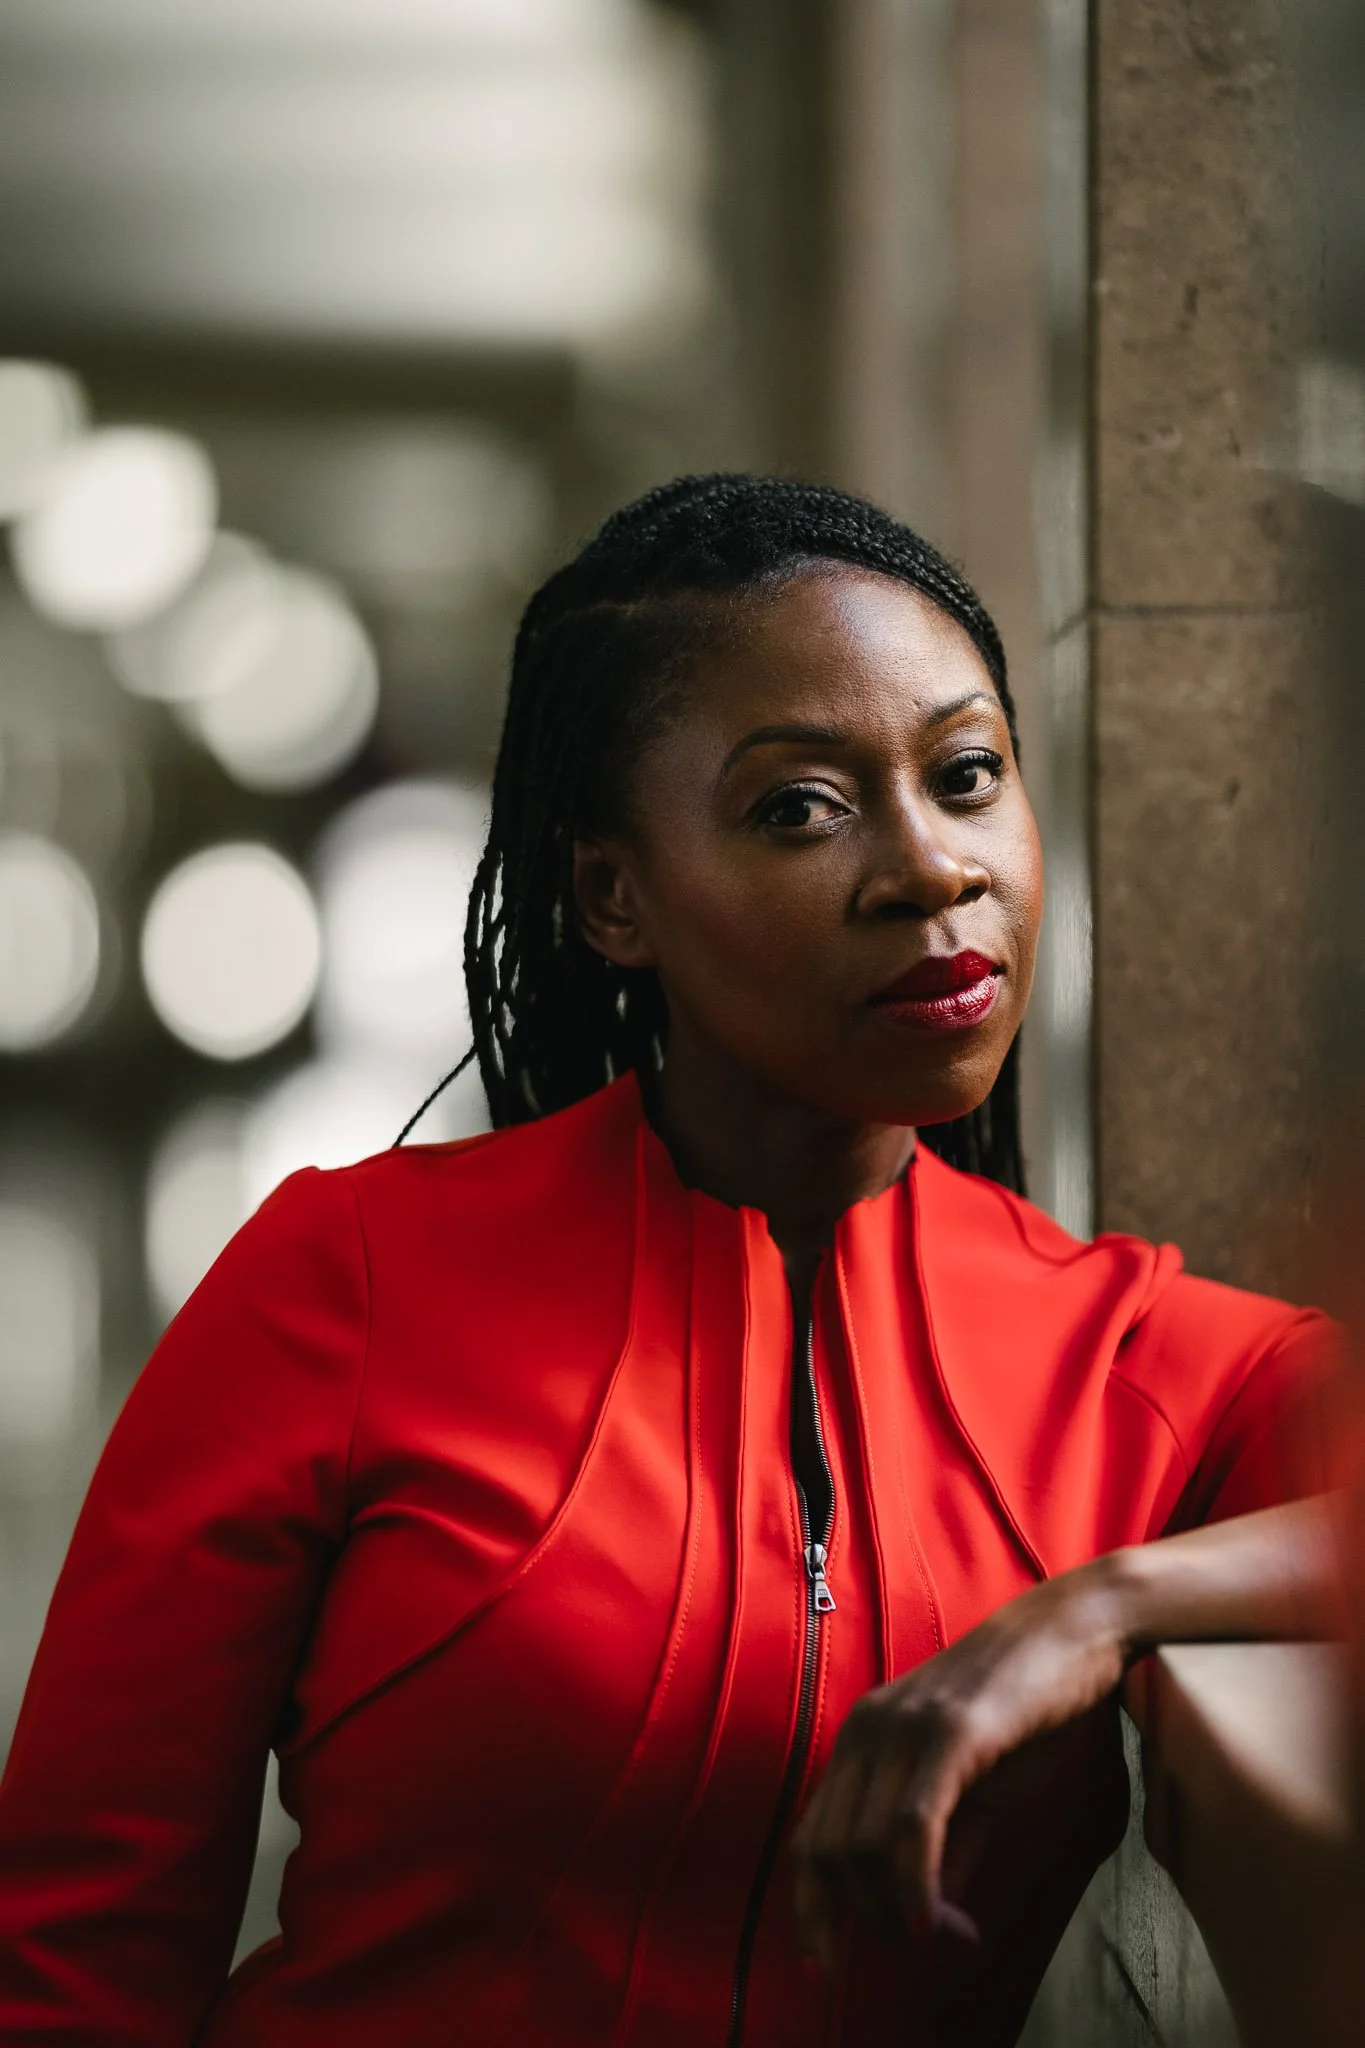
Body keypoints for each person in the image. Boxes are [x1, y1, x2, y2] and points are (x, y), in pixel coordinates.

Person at [0, 475, 1337, 2047]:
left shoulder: (1134, 1359)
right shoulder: (343, 1282)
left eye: (967, 775)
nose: (931, 868)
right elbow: (74, 1959)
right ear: (614, 897)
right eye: (800, 809)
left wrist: (1096, 1611)